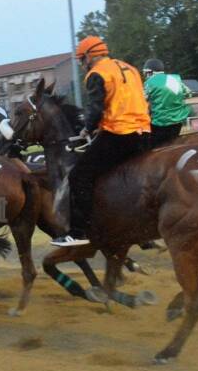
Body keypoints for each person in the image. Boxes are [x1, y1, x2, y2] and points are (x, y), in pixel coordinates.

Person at [53, 36, 151, 247]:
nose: (82, 64)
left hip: (120, 134)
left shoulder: (97, 73)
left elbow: (96, 108)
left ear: (89, 56)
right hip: (144, 132)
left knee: (79, 176)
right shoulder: (130, 68)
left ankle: (78, 232)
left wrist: (87, 129)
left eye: (81, 59)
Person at [142, 58, 191, 146]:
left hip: (160, 123)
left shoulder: (149, 83)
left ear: (150, 72)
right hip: (178, 121)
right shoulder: (176, 79)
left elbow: (141, 100)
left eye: (146, 73)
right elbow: (188, 93)